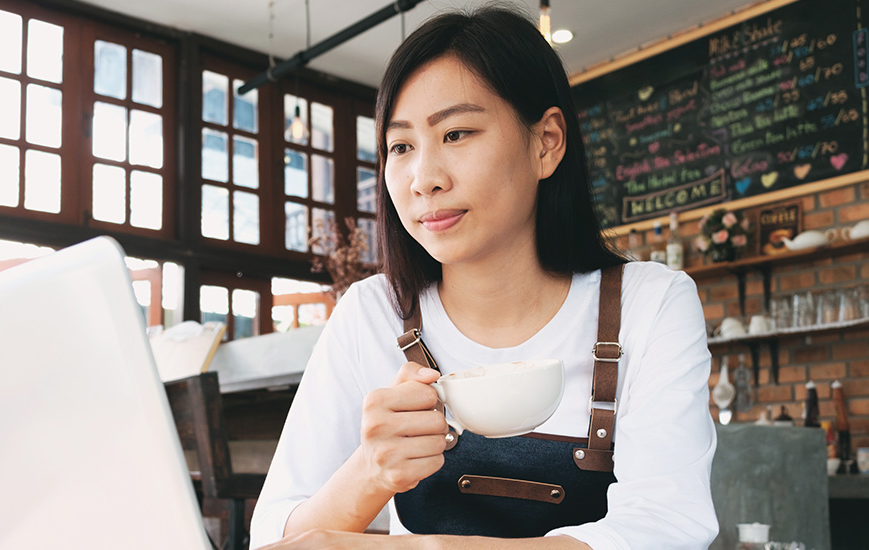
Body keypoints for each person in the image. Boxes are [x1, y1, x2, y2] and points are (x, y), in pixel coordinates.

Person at [249, 6, 717, 550]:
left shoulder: (650, 305)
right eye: (400, 146)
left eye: (457, 133)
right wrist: (370, 472)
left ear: (546, 142)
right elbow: (273, 538)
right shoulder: (371, 311)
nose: (424, 179)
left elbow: (668, 527)